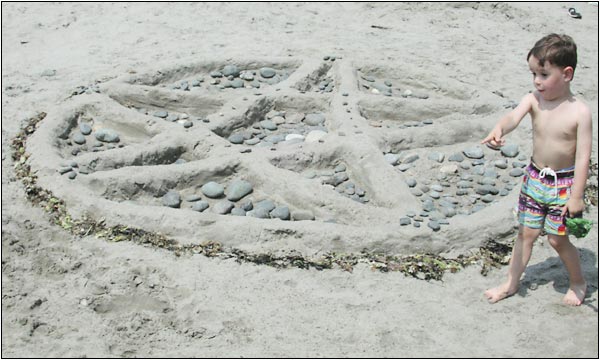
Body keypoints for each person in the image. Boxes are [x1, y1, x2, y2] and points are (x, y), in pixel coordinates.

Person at [481, 34, 592, 306]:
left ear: (567, 74)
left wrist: (576, 196)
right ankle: (510, 283)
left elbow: (582, 159)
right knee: (525, 234)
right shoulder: (533, 100)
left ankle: (578, 281)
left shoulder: (580, 112)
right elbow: (512, 118)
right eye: (533, 73)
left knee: (557, 240)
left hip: (564, 185)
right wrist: (499, 128)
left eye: (544, 74)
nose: (536, 81)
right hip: (535, 179)